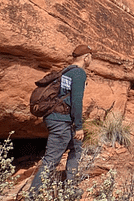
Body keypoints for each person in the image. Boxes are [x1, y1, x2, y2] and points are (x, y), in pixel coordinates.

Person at [30, 44, 93, 191]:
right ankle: (32, 196)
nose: (91, 60)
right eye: (91, 57)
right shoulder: (78, 73)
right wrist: (79, 127)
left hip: (57, 119)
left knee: (76, 148)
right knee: (51, 160)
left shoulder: (66, 71)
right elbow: (77, 102)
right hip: (61, 121)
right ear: (86, 57)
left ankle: (70, 188)